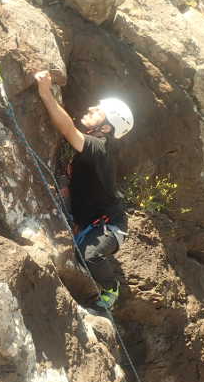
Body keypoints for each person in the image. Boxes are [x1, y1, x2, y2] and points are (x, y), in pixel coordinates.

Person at [34, 70, 133, 310]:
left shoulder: (100, 148)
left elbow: (69, 131)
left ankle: (111, 288)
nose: (90, 109)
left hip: (110, 226)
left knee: (89, 256)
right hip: (89, 220)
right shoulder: (97, 149)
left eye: (98, 111)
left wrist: (46, 94)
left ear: (107, 128)